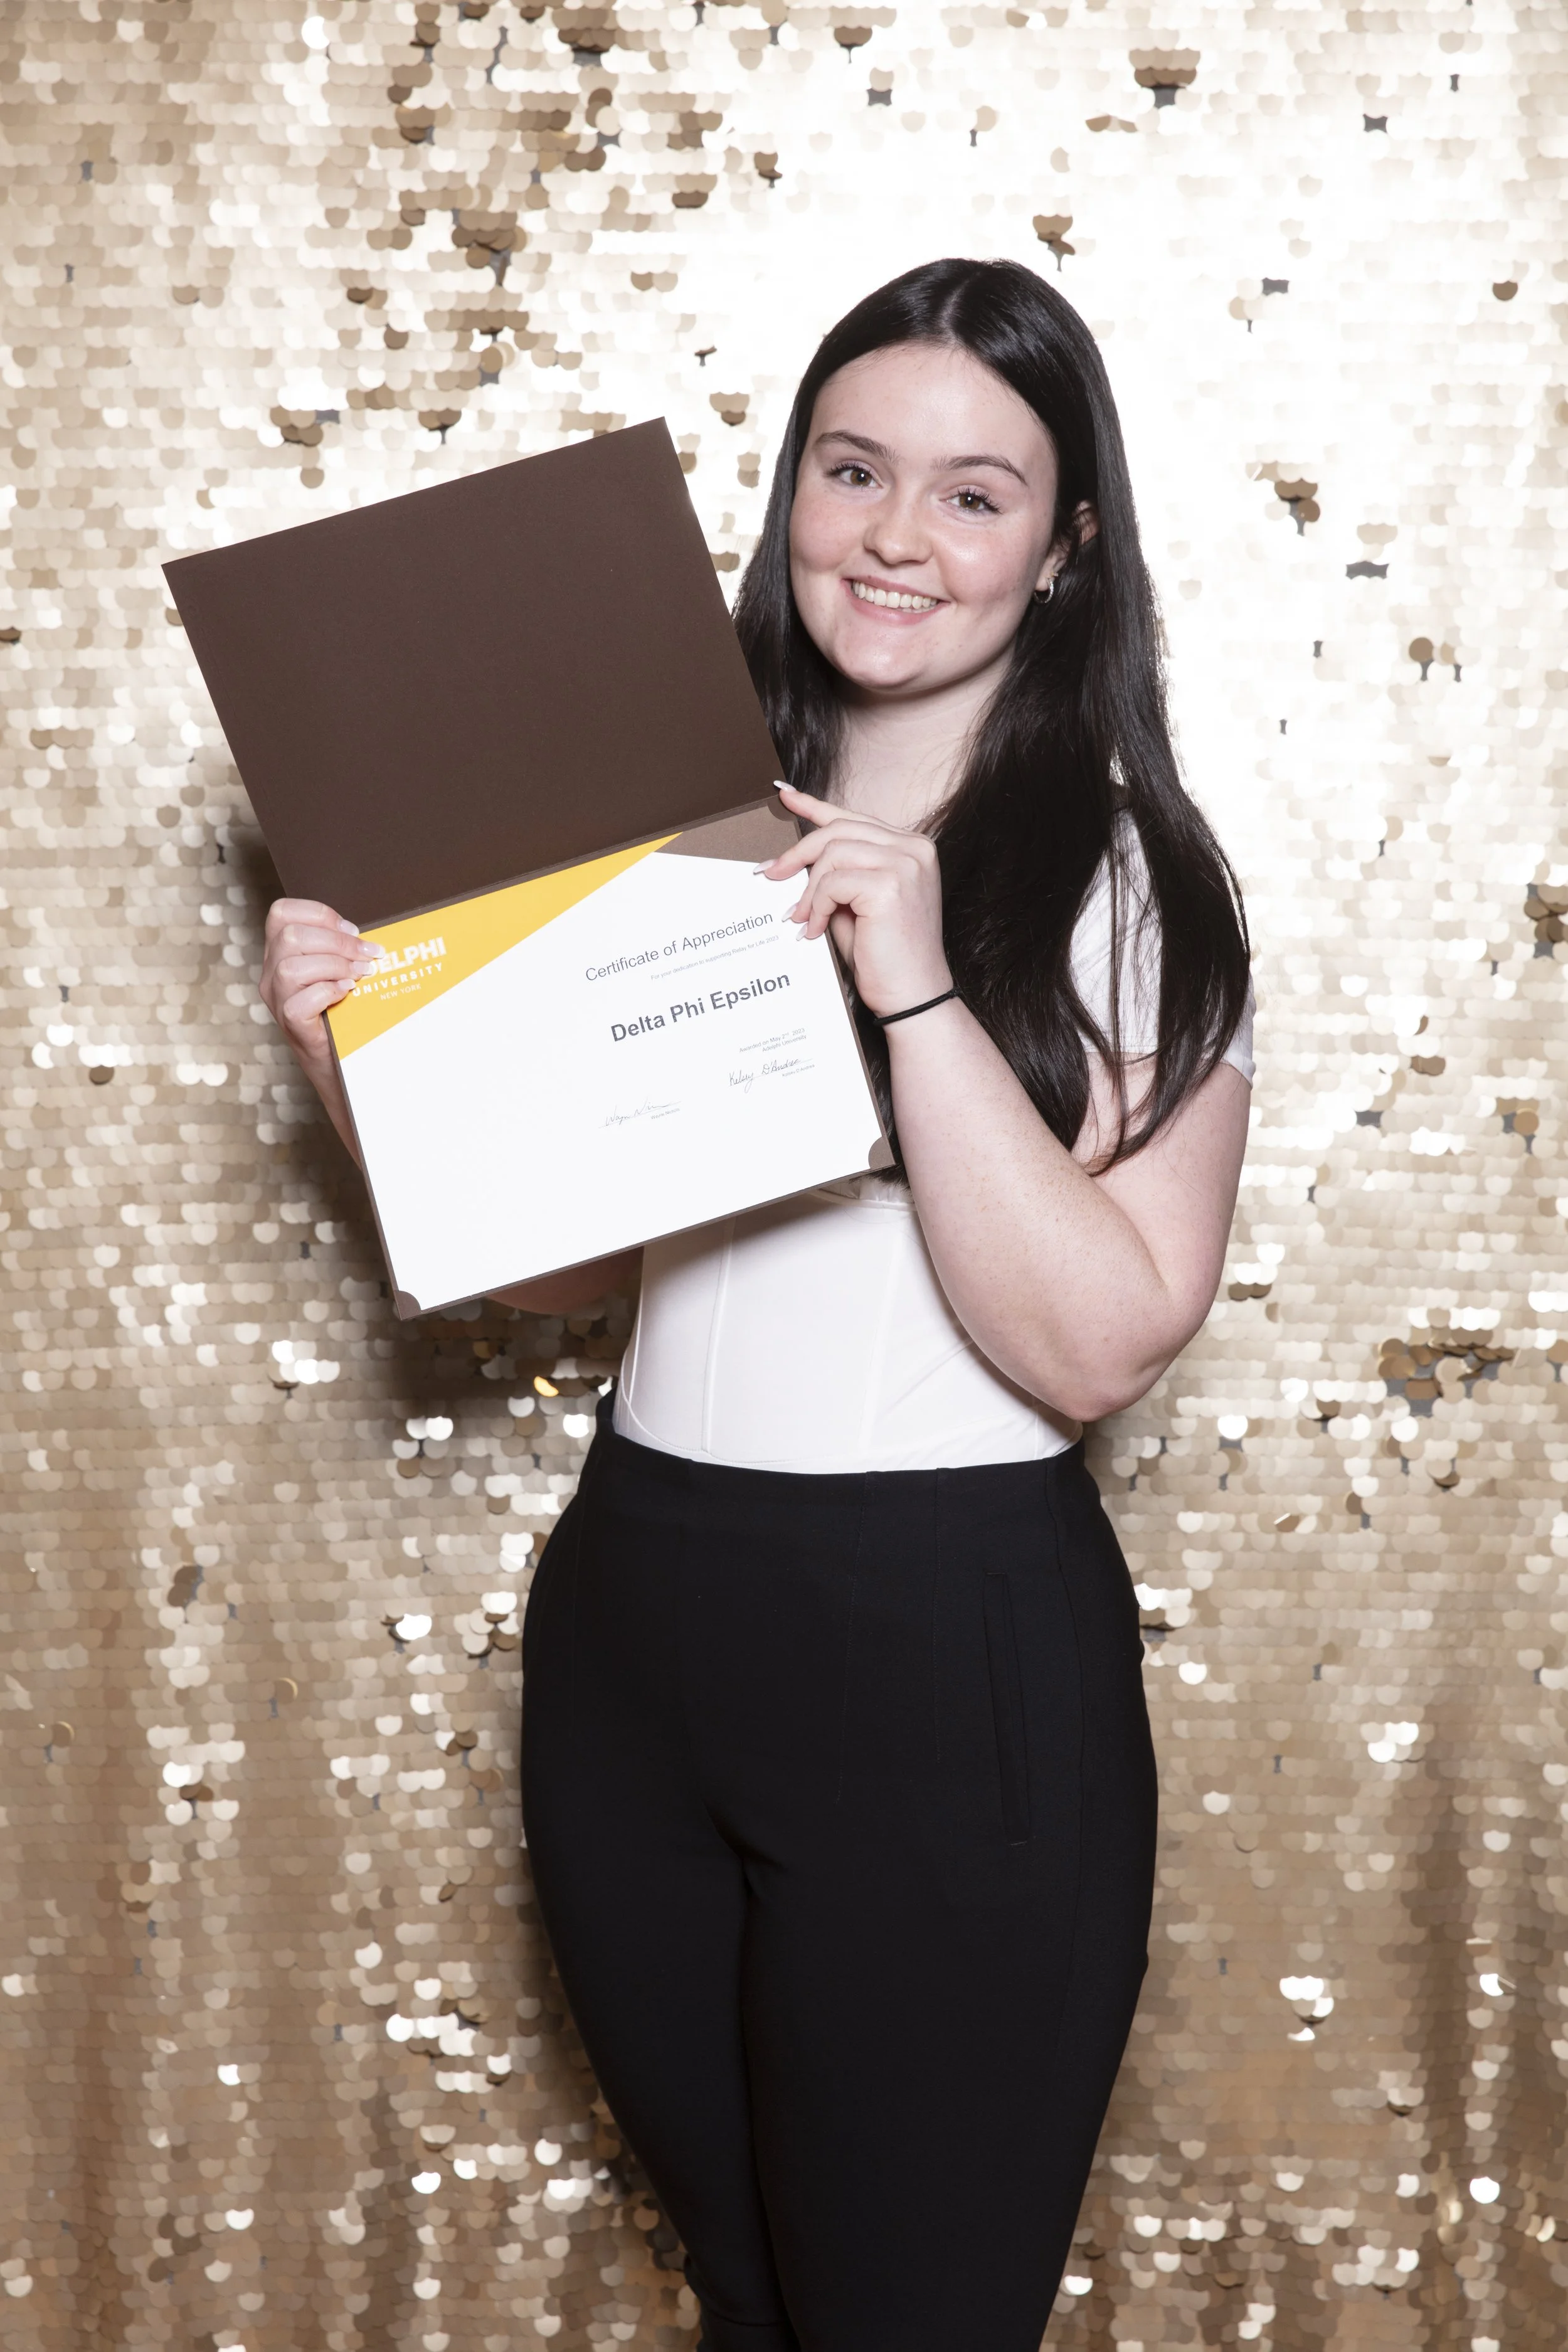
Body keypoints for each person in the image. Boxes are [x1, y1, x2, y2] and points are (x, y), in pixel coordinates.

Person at [260, 258, 1254, 2352]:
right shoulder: (650, 819)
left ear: (1066, 551)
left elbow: (1096, 1339)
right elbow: (541, 1271)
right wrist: (354, 1052)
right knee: (753, 2302)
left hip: (943, 1646)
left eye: (975, 495)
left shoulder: (1126, 872)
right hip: (640, 1620)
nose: (896, 536)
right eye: (852, 469)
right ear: (787, 487)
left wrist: (908, 978)